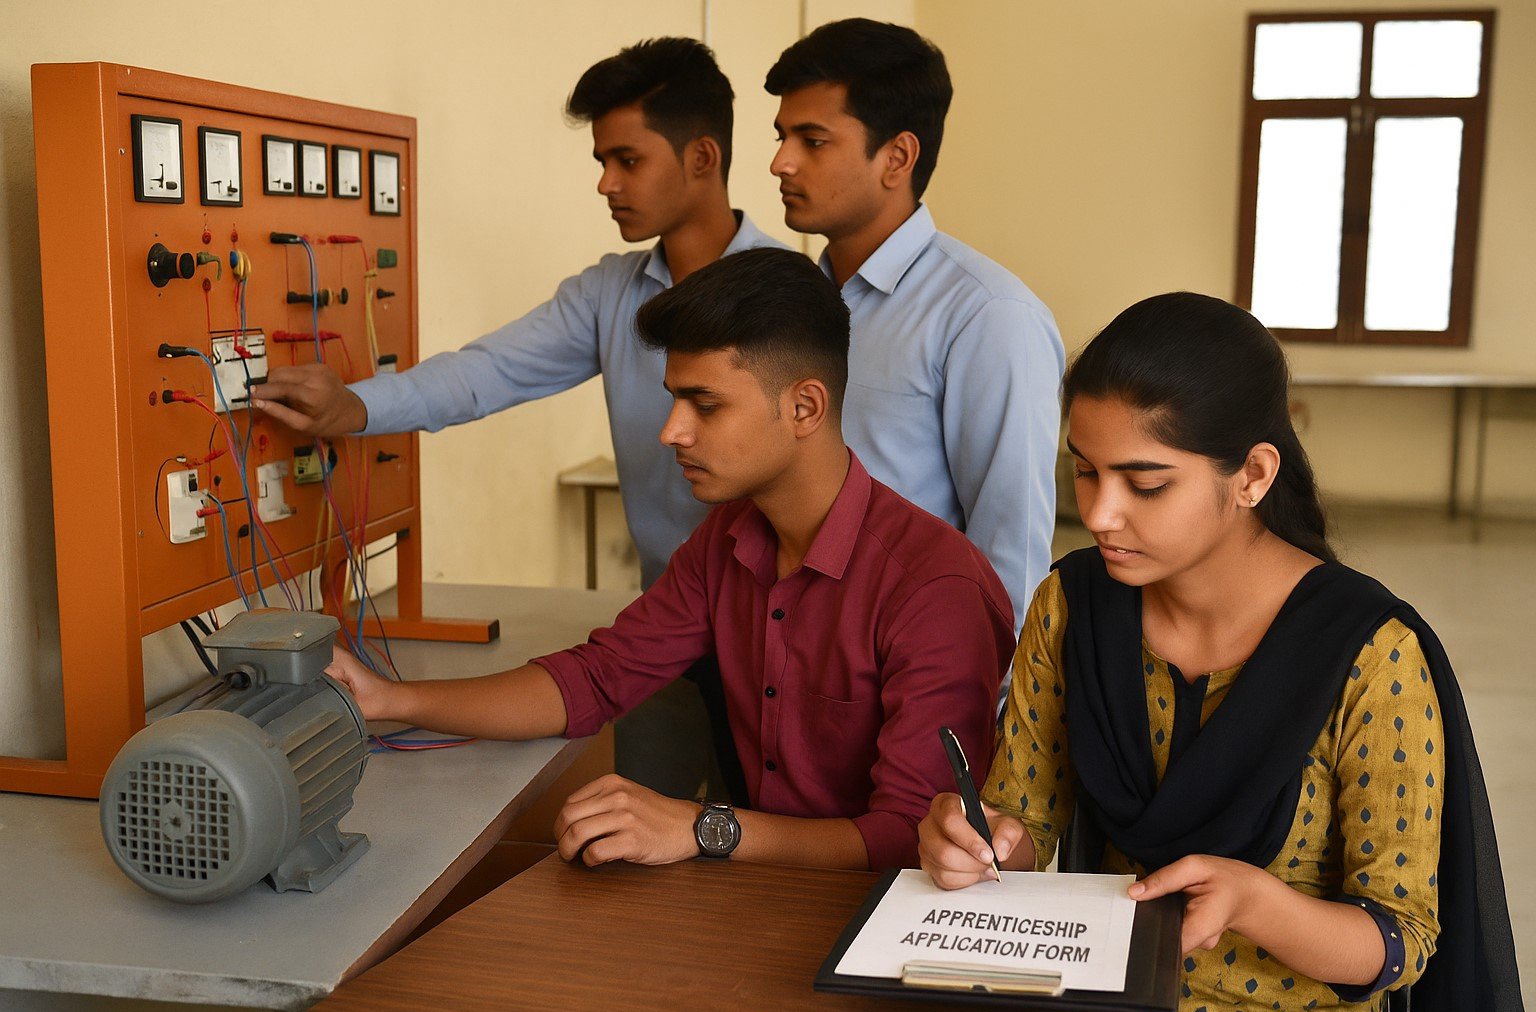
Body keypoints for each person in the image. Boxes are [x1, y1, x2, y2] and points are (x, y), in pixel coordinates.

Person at [916, 292, 1524, 1012]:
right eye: (1085, 472)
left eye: (1145, 485)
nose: (1101, 514)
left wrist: (1258, 903)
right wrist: (981, 843)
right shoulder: (1073, 608)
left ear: (1253, 477)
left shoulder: (1369, 657)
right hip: (1104, 995)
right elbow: (1024, 818)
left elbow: (1401, 941)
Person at [327, 248, 1015, 872]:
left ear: (805, 406)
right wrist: (391, 698)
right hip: (759, 897)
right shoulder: (727, 541)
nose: (671, 431)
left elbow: (907, 839)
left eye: (704, 405)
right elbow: (598, 679)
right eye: (674, 398)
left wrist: (705, 827)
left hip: (874, 918)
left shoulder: (934, 587)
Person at [250, 37, 785, 802]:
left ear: (702, 157)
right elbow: (488, 371)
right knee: (639, 837)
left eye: (627, 160)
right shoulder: (610, 294)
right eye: (600, 161)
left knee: (767, 848)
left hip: (773, 634)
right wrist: (355, 405)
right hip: (661, 626)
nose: (606, 183)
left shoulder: (791, 302)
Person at [765, 18, 1065, 634]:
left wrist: (979, 706)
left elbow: (1012, 549)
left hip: (911, 677)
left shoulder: (986, 315)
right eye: (781, 136)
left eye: (812, 141)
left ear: (897, 157)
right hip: (778, 662)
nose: (780, 163)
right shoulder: (789, 304)